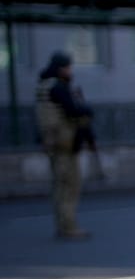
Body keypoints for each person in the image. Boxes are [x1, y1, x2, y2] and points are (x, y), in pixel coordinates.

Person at [34, 50, 93, 240]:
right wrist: (86, 109)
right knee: (70, 185)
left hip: (53, 142)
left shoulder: (44, 86)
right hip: (65, 143)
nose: (70, 71)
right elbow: (73, 110)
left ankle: (63, 225)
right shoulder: (58, 87)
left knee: (60, 186)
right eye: (68, 67)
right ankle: (68, 226)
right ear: (61, 69)